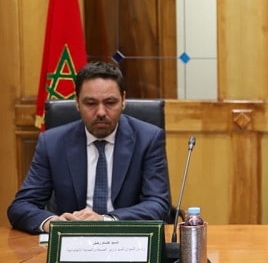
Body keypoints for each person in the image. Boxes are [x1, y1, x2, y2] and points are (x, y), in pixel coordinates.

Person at [7, 61, 172, 234]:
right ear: (77, 103)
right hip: (72, 239)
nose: (101, 112)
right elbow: (21, 206)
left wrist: (105, 221)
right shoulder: (52, 143)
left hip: (126, 238)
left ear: (123, 100)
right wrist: (52, 223)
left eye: (110, 102)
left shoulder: (148, 139)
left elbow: (158, 204)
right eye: (91, 103)